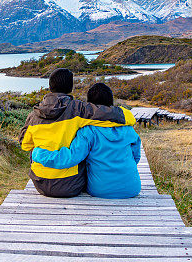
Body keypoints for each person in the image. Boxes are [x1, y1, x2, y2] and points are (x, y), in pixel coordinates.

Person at [19, 69, 136, 198]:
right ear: (71, 87)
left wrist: (39, 152)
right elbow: (106, 115)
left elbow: (24, 145)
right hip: (71, 184)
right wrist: (128, 117)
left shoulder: (33, 116)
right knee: (82, 143)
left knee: (33, 146)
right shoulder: (78, 109)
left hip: (40, 183)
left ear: (50, 86)